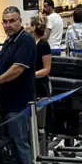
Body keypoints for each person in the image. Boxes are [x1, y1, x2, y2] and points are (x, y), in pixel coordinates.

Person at [0, 6, 35, 164]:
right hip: (5, 102)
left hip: (18, 103)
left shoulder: (25, 39)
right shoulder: (9, 40)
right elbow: (7, 66)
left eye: (12, 21)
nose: (8, 25)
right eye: (5, 22)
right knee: (9, 145)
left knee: (20, 144)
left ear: (20, 21)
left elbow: (17, 69)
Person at [25, 14, 52, 151]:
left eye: (27, 24)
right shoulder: (27, 44)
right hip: (29, 88)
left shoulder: (43, 45)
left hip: (41, 88)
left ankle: (42, 153)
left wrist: (31, 75)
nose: (25, 26)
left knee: (40, 125)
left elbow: (46, 69)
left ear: (34, 27)